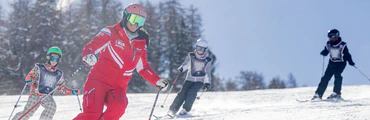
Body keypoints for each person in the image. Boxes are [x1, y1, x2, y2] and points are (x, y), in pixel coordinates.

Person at [73, 3, 168, 120]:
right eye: (133, 19)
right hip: (98, 80)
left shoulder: (141, 43)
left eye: (140, 21)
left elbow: (143, 67)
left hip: (118, 86)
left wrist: (156, 80)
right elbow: (92, 46)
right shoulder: (111, 32)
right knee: (92, 114)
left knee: (119, 106)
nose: (135, 24)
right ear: (126, 16)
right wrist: (88, 55)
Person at [12, 46, 80, 120]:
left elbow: (60, 87)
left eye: (56, 59)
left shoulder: (58, 74)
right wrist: (30, 80)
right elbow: (30, 77)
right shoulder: (40, 68)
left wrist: (72, 92)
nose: (54, 61)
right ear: (48, 57)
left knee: (51, 106)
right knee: (28, 112)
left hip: (47, 95)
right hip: (36, 93)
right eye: (52, 58)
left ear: (59, 60)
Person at [168, 39, 213, 116]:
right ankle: (173, 109)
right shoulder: (191, 56)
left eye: (201, 49)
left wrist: (207, 83)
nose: (199, 50)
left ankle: (185, 109)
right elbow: (186, 64)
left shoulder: (207, 60)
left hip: (199, 81)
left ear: (205, 50)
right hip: (189, 79)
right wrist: (181, 68)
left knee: (192, 93)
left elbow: (207, 72)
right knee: (182, 93)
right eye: (198, 48)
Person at [312, 29, 355, 100]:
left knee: (337, 76)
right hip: (332, 63)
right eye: (329, 37)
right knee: (325, 78)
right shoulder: (328, 44)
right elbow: (326, 50)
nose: (330, 38)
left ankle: (336, 93)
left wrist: (350, 61)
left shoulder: (342, 45)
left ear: (336, 36)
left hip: (341, 63)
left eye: (332, 37)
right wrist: (324, 52)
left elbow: (347, 54)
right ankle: (318, 94)